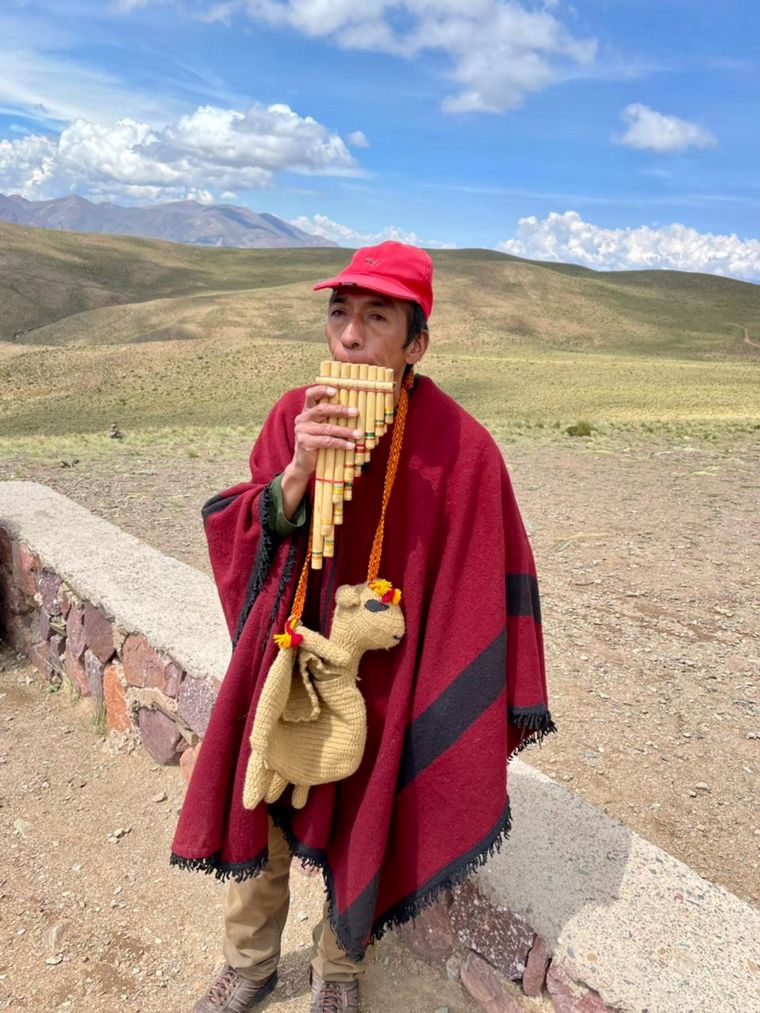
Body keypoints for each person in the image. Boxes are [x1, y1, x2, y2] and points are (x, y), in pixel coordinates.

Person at [171, 241, 554, 1013]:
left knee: (369, 814)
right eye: (338, 312)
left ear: (416, 343)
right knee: (267, 804)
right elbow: (240, 523)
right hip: (293, 653)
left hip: (393, 671)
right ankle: (248, 962)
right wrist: (296, 476)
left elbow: (487, 573)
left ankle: (337, 970)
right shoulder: (295, 414)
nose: (348, 335)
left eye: (375, 317)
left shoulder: (465, 448)